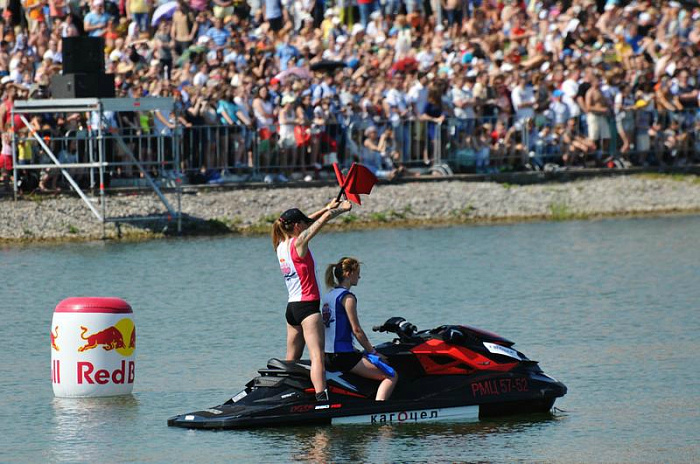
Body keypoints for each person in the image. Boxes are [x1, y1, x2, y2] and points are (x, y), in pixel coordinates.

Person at [272, 200, 352, 402]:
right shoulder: (299, 243)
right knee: (318, 357)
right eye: (303, 223)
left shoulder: (280, 245)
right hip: (308, 309)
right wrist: (338, 210)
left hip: (291, 309)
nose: (306, 225)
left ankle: (282, 392)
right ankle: (322, 398)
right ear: (297, 226)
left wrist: (326, 206)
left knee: (292, 359)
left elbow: (309, 221)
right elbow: (317, 225)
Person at [322, 257, 398, 401]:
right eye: (357, 273)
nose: (360, 276)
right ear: (348, 274)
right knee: (391, 375)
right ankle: (379, 411)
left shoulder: (328, 296)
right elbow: (357, 330)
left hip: (328, 355)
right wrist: (373, 352)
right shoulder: (347, 298)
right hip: (343, 355)